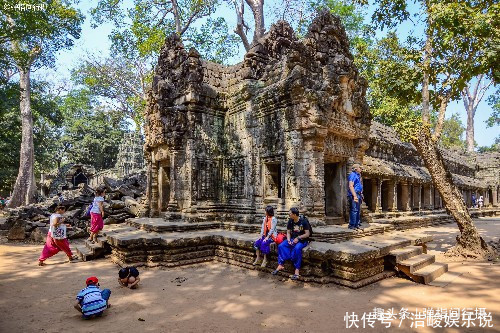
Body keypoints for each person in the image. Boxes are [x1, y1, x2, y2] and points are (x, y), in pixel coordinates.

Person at [271, 207, 311, 280]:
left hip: (302, 240)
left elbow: (307, 234)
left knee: (297, 249)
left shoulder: (303, 221)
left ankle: (297, 270)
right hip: (292, 239)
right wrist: (288, 240)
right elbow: (288, 232)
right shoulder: (290, 221)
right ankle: (280, 264)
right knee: (281, 246)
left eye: (290, 213)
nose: (289, 214)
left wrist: (298, 238)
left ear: (295, 215)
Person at [347, 163, 364, 230]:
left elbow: (359, 186)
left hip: (358, 194)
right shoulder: (352, 175)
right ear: (356, 169)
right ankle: (352, 225)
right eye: (360, 168)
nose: (361, 169)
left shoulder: (358, 176)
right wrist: (354, 196)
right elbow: (351, 186)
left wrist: (361, 194)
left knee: (357, 210)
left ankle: (356, 224)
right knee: (354, 210)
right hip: (354, 194)